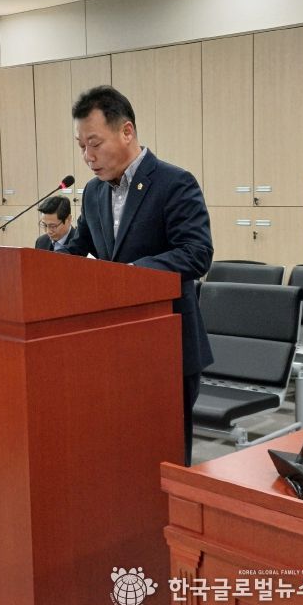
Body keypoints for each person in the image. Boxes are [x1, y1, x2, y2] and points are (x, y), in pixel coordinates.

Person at [60, 85, 214, 466]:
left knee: (166, 456)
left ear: (126, 131)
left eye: (95, 143)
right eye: (81, 146)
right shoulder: (93, 193)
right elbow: (75, 249)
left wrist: (129, 276)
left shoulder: (174, 183)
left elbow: (197, 253)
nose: (88, 157)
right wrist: (37, 267)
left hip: (167, 344)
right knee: (123, 453)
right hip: (114, 346)